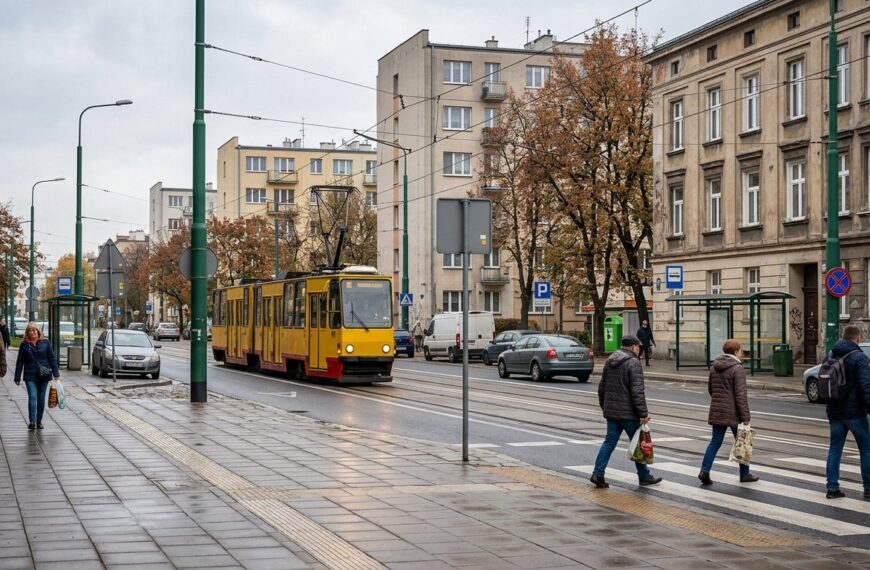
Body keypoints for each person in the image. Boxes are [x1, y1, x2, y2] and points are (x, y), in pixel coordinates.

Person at [591, 334, 662, 488]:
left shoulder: (610, 360)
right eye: (638, 347)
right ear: (634, 347)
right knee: (637, 443)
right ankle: (644, 476)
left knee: (609, 442)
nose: (639, 350)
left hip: (612, 412)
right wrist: (643, 414)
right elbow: (637, 391)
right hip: (628, 413)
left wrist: (605, 407)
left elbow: (602, 387)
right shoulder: (633, 362)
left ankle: (597, 473)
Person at [698, 339, 758, 485]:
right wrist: (746, 416)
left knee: (715, 442)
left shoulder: (714, 367)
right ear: (736, 352)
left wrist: (720, 401)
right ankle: (745, 474)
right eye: (741, 350)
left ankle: (704, 471)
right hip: (734, 413)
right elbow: (740, 395)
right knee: (742, 441)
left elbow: (711, 390)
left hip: (718, 409)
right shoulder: (737, 369)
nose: (742, 353)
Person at [824, 324, 870, 500]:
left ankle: (832, 488)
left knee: (835, 448)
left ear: (843, 336)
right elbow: (865, 387)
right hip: (855, 412)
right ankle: (868, 488)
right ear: (858, 338)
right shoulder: (860, 357)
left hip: (834, 410)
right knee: (866, 449)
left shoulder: (831, 354)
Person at [13, 323, 60, 431]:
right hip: (30, 374)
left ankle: (39, 421)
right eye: (30, 330)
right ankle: (32, 421)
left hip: (44, 374)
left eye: (34, 330)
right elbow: (20, 362)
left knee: (41, 398)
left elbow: (52, 358)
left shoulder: (46, 342)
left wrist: (56, 373)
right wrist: (17, 377)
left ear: (38, 331)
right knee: (32, 396)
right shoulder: (24, 345)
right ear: (27, 332)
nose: (33, 332)